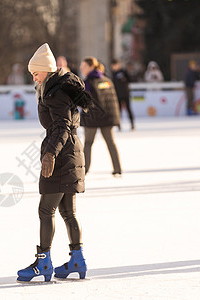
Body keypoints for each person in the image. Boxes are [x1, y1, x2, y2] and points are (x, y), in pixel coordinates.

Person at [17, 43, 91, 282]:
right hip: (70, 151)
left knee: (45, 209)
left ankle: (43, 263)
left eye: (35, 72)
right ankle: (77, 260)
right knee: (68, 211)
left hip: (61, 154)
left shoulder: (55, 92)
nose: (33, 76)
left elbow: (61, 126)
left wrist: (50, 154)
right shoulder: (53, 88)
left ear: (46, 70)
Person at [80, 56, 122, 176]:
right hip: (107, 118)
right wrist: (116, 119)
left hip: (93, 117)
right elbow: (113, 102)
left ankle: (84, 170)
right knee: (110, 142)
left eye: (84, 67)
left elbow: (84, 101)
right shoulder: (107, 81)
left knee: (88, 143)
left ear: (91, 66)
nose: (81, 69)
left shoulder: (88, 82)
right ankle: (117, 168)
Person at [111, 59, 135, 131]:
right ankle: (119, 125)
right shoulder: (113, 74)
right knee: (118, 111)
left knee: (128, 109)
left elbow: (130, 80)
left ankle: (132, 124)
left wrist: (125, 78)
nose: (113, 67)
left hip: (125, 94)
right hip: (117, 95)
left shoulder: (124, 72)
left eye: (114, 66)